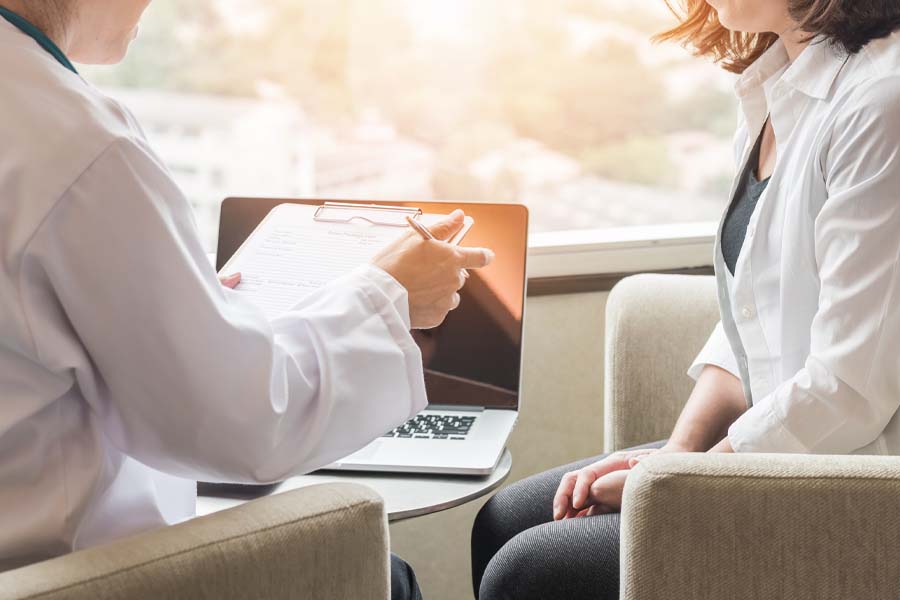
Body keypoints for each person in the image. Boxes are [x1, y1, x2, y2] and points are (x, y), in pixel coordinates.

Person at [0, 1, 495, 597]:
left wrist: (184, 306)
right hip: (62, 577)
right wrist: (389, 294)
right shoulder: (79, 145)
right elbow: (245, 424)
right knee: (383, 573)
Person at [471, 0, 900, 598]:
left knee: (530, 572)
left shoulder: (882, 102)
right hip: (772, 449)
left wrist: (684, 477)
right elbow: (750, 320)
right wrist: (676, 455)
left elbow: (850, 388)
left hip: (852, 486)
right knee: (504, 520)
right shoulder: (779, 85)